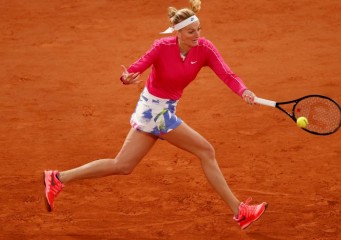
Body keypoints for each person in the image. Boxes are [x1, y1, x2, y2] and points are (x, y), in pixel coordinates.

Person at [43, 0, 267, 230]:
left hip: (161, 109)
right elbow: (135, 67)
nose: (197, 34)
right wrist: (127, 77)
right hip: (155, 111)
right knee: (206, 150)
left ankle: (57, 179)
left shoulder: (205, 49)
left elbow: (228, 74)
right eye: (191, 31)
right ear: (178, 33)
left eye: (199, 29)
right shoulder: (162, 47)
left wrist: (244, 90)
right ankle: (240, 211)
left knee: (123, 165)